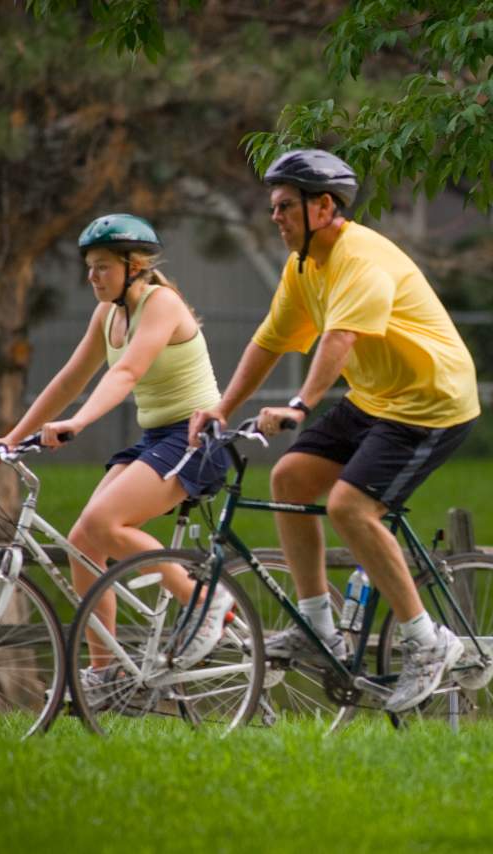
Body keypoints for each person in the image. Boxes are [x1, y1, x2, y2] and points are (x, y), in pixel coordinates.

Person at [189, 149, 480, 713]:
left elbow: (339, 338)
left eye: (285, 206)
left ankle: (427, 641)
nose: (275, 216)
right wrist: (222, 407)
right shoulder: (304, 266)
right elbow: (269, 341)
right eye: (273, 206)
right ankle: (317, 627)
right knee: (290, 478)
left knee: (351, 507)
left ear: (323, 207)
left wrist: (300, 405)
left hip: (431, 402)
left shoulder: (361, 259)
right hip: (376, 398)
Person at [0, 213, 232, 678]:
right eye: (89, 267)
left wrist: (78, 421)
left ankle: (205, 601)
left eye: (102, 267)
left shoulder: (161, 304)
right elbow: (68, 381)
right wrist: (13, 437)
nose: (92, 277)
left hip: (195, 438)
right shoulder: (108, 315)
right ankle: (106, 673)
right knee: (82, 540)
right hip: (158, 438)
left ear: (133, 266)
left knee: (103, 522)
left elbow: (127, 372)